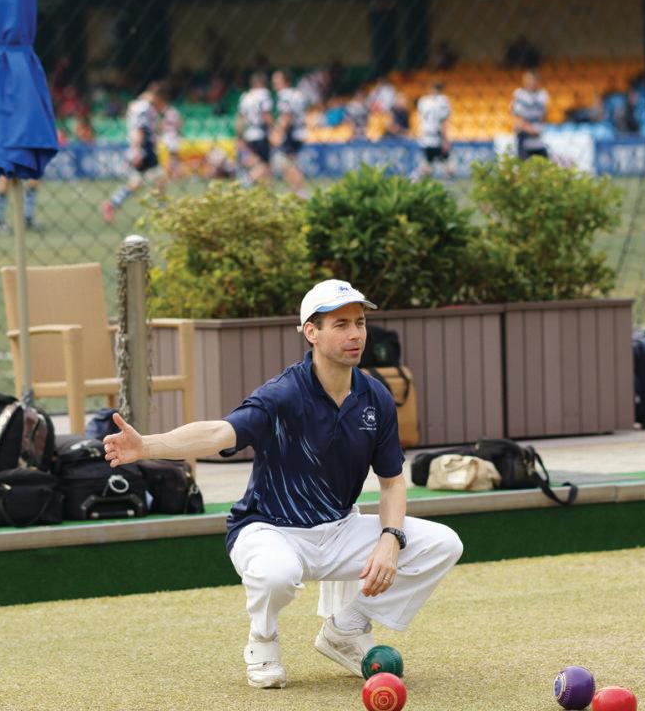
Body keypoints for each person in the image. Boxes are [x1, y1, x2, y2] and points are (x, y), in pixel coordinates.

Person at [102, 279, 463, 690]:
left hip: (340, 529)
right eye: (341, 324)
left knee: (443, 544)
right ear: (311, 332)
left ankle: (345, 628)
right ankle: (263, 639)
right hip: (269, 529)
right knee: (277, 574)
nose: (355, 334)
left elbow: (393, 483)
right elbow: (220, 432)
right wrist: (146, 444)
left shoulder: (375, 397)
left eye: (359, 323)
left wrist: (390, 538)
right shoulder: (283, 394)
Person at [101, 85, 166, 223]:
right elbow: (140, 129)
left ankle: (112, 203)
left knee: (139, 182)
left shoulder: (138, 105)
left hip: (141, 147)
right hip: (145, 148)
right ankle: (162, 211)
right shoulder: (145, 108)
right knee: (158, 179)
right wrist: (136, 150)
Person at [271, 69, 308, 197]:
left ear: (285, 81)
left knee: (283, 162)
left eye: (277, 79)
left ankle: (301, 192)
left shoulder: (284, 94)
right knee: (290, 163)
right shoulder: (297, 93)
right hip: (300, 131)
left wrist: (277, 132)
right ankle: (297, 191)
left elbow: (286, 115)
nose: (273, 82)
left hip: (291, 133)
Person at [235, 72, 274, 186]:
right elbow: (266, 115)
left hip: (248, 133)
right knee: (265, 164)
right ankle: (247, 180)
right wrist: (273, 130)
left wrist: (239, 136)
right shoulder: (264, 94)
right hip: (261, 133)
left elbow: (240, 118)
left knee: (259, 163)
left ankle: (265, 190)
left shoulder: (245, 96)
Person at [414, 81, 452, 179]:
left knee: (428, 164)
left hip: (426, 137)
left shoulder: (423, 101)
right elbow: (444, 121)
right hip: (438, 136)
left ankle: (416, 178)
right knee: (449, 166)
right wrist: (445, 140)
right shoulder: (443, 100)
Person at [512, 69, 549, 159]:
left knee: (543, 165)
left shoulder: (542, 95)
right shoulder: (520, 95)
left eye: (532, 80)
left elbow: (544, 116)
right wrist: (530, 129)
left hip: (539, 136)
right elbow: (517, 118)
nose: (530, 83)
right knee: (525, 166)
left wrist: (539, 129)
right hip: (524, 136)